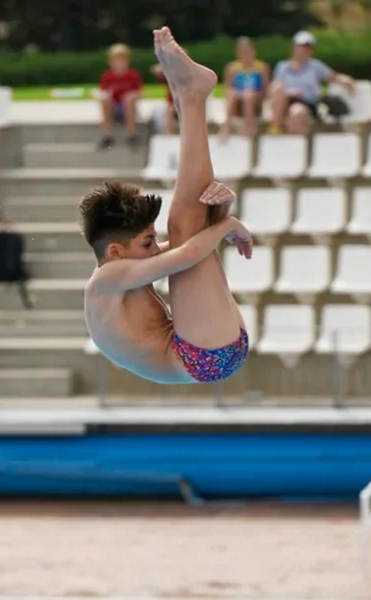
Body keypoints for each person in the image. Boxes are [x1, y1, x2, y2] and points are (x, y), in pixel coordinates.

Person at [82, 27, 253, 385]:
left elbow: (188, 251)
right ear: (115, 250)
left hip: (205, 345)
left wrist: (221, 218)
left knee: (191, 223)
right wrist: (226, 226)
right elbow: (186, 252)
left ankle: (186, 95)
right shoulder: (107, 280)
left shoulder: (121, 268)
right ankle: (190, 98)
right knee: (184, 228)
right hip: (204, 356)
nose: (153, 248)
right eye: (146, 243)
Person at [269, 31, 354, 134]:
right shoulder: (282, 66)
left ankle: (294, 142)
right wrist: (290, 93)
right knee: (277, 88)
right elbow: (275, 88)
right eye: (300, 46)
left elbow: (333, 77)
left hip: (307, 102)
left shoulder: (315, 66)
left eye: (307, 47)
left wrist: (346, 80)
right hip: (285, 101)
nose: (303, 50)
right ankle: (275, 126)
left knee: (297, 112)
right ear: (293, 48)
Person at [219, 37, 270, 140]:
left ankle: (248, 128)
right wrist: (239, 94)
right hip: (237, 101)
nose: (245, 54)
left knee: (249, 95)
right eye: (242, 51)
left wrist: (255, 94)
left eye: (248, 51)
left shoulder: (261, 68)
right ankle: (226, 126)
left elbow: (266, 91)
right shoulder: (232, 68)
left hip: (254, 102)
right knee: (233, 93)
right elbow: (227, 89)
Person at [97, 43, 143, 150]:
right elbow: (103, 92)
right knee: (104, 101)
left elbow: (139, 93)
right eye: (116, 60)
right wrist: (106, 96)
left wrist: (131, 96)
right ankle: (107, 135)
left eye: (121, 60)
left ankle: (131, 134)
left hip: (128, 108)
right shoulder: (107, 76)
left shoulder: (133, 75)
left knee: (128, 99)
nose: (119, 63)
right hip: (113, 108)